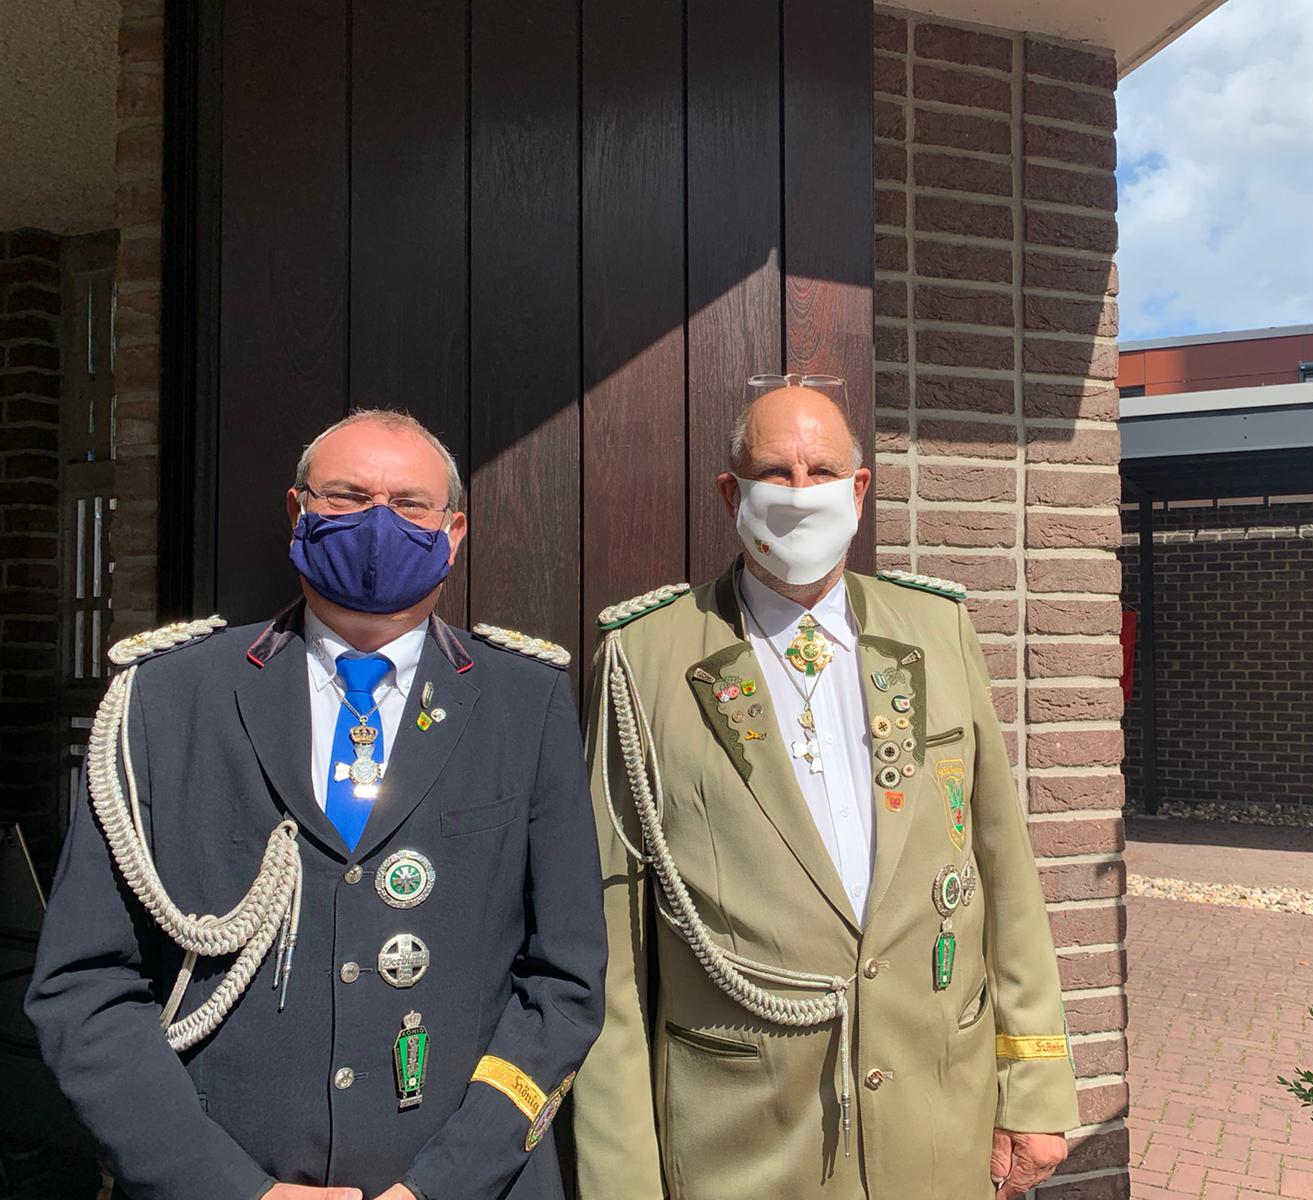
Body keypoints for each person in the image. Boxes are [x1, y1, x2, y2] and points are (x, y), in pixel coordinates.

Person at [27, 409, 605, 1200]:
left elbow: (564, 987)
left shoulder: (524, 703)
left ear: (454, 531)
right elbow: (84, 987)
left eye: (410, 504)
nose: (377, 522)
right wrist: (226, 1189)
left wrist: (441, 1186)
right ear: (298, 511)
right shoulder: (167, 698)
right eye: (347, 497)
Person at [573, 376, 1078, 1199]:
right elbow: (613, 955)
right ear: (731, 493)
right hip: (745, 1149)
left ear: (860, 489)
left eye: (823, 471)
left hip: (939, 1131)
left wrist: (1037, 1087)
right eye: (776, 472)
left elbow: (1004, 873)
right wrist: (621, 1182)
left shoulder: (936, 629)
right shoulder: (645, 657)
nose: (801, 491)